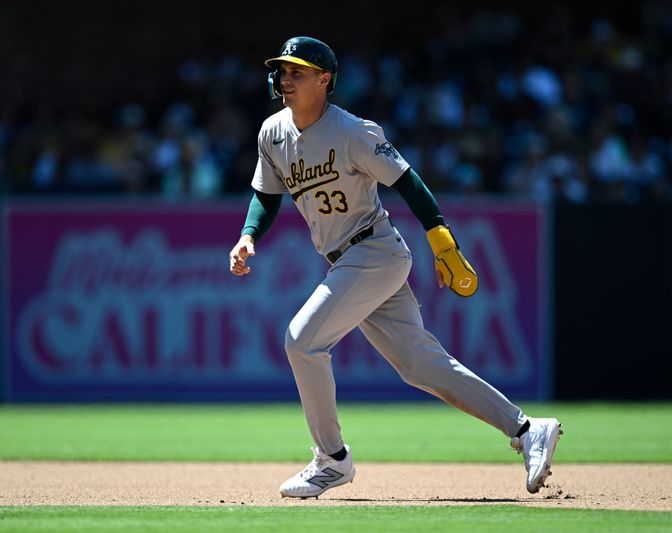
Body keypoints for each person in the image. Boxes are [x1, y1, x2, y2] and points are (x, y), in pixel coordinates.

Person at [228, 36, 562, 499]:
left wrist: (439, 233)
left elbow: (407, 180)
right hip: (347, 259)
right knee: (421, 366)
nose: (286, 79)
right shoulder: (273, 133)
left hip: (374, 250)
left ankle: (332, 460)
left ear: (325, 79)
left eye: (298, 71)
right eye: (283, 71)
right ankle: (528, 430)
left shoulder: (352, 131)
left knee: (302, 341)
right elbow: (266, 196)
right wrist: (248, 235)